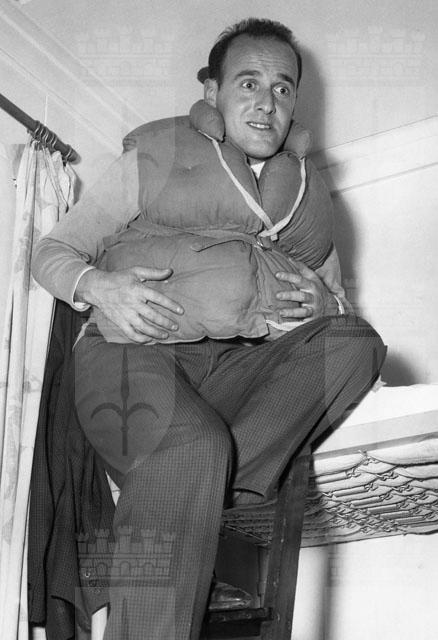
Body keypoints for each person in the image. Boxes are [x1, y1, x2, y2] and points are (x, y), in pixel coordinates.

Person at [32, 17, 386, 640]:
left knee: (356, 344)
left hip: (233, 373)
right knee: (190, 444)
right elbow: (52, 252)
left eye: (282, 88)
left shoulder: (308, 200)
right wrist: (102, 287)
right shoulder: (156, 157)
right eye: (248, 83)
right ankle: (188, 470)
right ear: (212, 92)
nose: (266, 102)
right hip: (133, 353)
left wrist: (329, 307)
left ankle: (196, 481)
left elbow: (339, 311)